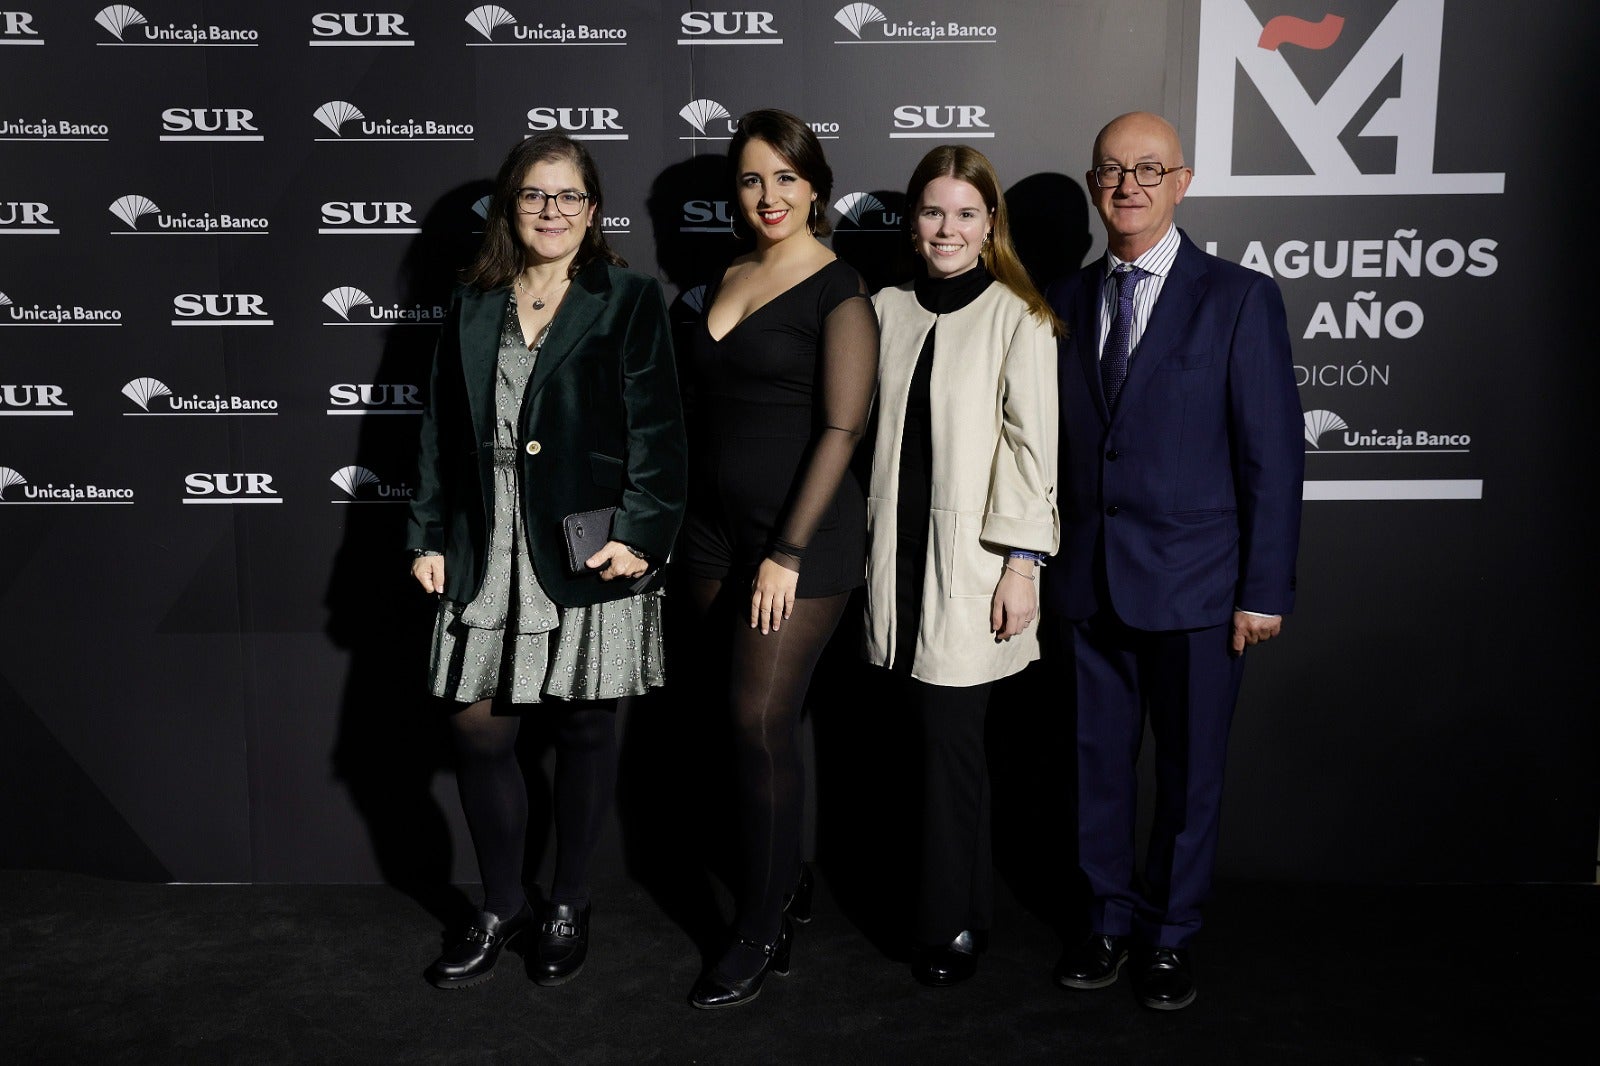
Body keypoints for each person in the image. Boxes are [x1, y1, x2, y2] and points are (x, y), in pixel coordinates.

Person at [405, 133, 687, 989]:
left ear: (593, 211)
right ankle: (501, 904)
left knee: (583, 726)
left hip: (587, 541)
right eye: (535, 195)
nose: (552, 212)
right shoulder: (472, 301)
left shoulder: (629, 297)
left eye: (569, 197)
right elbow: (438, 431)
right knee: (476, 724)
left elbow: (661, 431)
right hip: (484, 538)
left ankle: (567, 899)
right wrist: (425, 532)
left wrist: (640, 529)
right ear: (509, 207)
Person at [1044, 112, 1303, 1010]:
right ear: (1093, 184)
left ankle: (1170, 935)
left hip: (1201, 588)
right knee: (1095, 767)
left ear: (1182, 182)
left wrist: (1262, 589)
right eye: (1112, 169)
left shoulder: (1238, 297)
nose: (1129, 186)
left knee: (1191, 775)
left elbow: (1272, 454)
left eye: (1149, 170)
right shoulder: (1063, 301)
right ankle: (1108, 922)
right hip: (1087, 580)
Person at [679, 109, 879, 1009]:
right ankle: (781, 880)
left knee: (758, 721)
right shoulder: (724, 273)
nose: (770, 196)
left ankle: (760, 926)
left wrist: (787, 551)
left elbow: (843, 426)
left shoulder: (840, 289)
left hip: (796, 543)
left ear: (815, 187)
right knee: (741, 731)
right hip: (713, 535)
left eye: (787, 178)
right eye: (754, 179)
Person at [862, 145, 1061, 986]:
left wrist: (1023, 565)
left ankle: (946, 929)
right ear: (915, 223)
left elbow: (1032, 450)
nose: (948, 228)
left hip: (972, 565)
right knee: (918, 748)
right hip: (889, 560)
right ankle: (960, 908)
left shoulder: (1020, 315)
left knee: (953, 746)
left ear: (990, 228)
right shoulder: (884, 309)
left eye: (966, 214)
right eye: (934, 212)